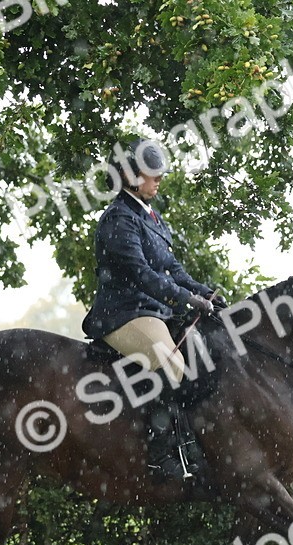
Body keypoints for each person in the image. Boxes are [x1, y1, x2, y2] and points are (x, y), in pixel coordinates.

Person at [82, 138, 217, 481]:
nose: (158, 180)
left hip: (153, 312)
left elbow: (173, 268)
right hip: (124, 314)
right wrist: (187, 300)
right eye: (152, 175)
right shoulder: (119, 219)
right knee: (170, 362)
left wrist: (204, 292)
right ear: (131, 176)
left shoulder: (151, 217)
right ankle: (159, 457)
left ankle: (191, 446)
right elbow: (141, 275)